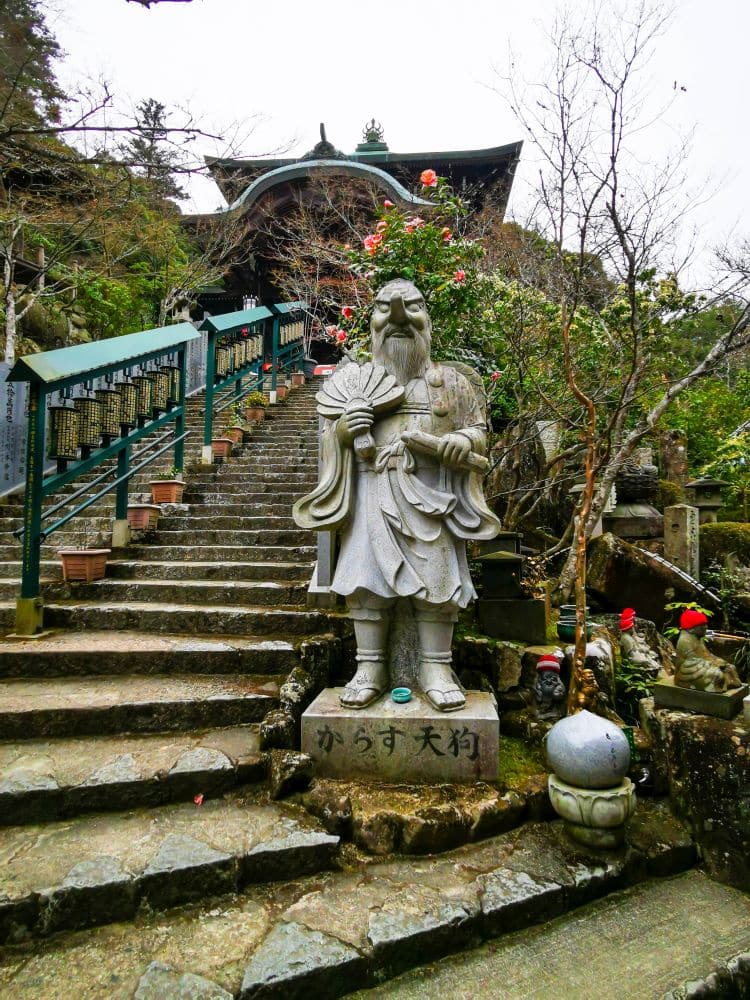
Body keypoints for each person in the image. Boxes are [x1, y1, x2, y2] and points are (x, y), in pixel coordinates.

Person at [294, 279, 500, 711]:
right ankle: (369, 665)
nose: (399, 320)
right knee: (365, 578)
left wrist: (464, 441)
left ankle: (436, 666)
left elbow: (480, 431)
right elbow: (327, 440)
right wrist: (345, 431)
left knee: (438, 579)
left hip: (432, 494)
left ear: (428, 321)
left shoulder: (451, 383)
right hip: (371, 489)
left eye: (411, 310)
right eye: (385, 309)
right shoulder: (352, 382)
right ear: (370, 323)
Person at [674, 608, 741, 692]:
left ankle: (731, 683)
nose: (706, 627)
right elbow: (692, 659)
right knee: (717, 674)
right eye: (702, 625)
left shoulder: (698, 638)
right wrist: (712, 664)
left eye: (705, 624)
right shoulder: (684, 640)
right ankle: (717, 687)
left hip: (701, 664)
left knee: (730, 668)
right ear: (692, 627)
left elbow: (706, 653)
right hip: (687, 670)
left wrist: (716, 660)